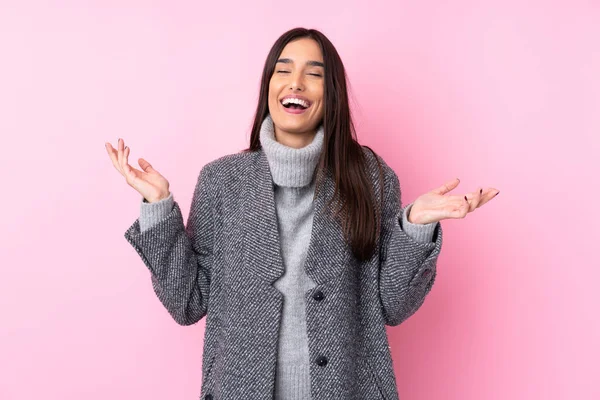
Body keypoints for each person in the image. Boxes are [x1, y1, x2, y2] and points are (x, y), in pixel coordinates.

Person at [105, 27, 498, 400]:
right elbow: (186, 302)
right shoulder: (222, 182)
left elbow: (393, 306)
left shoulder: (371, 178)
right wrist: (158, 208)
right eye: (284, 70)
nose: (296, 83)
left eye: (313, 74)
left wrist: (414, 228)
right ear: (269, 87)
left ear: (332, 95)